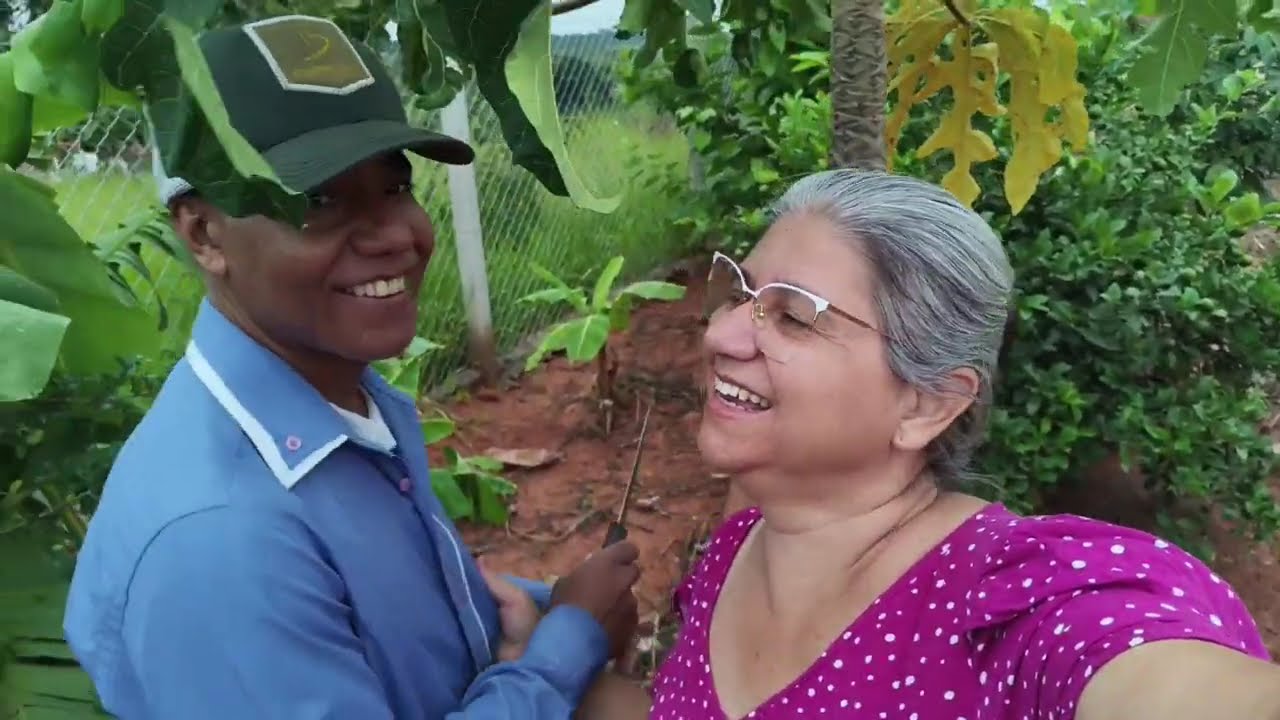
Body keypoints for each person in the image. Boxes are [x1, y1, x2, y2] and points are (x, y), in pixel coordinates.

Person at [63, 15, 640, 719]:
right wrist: (568, 644)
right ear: (205, 234)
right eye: (320, 202)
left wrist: (540, 612)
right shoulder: (220, 542)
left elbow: (385, 630)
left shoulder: (336, 401)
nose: (397, 236)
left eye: (395, 189)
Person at [565, 169, 1280, 718]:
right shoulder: (735, 551)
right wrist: (554, 661)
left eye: (795, 317)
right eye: (741, 292)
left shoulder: (1017, 602)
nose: (720, 333)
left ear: (926, 404)